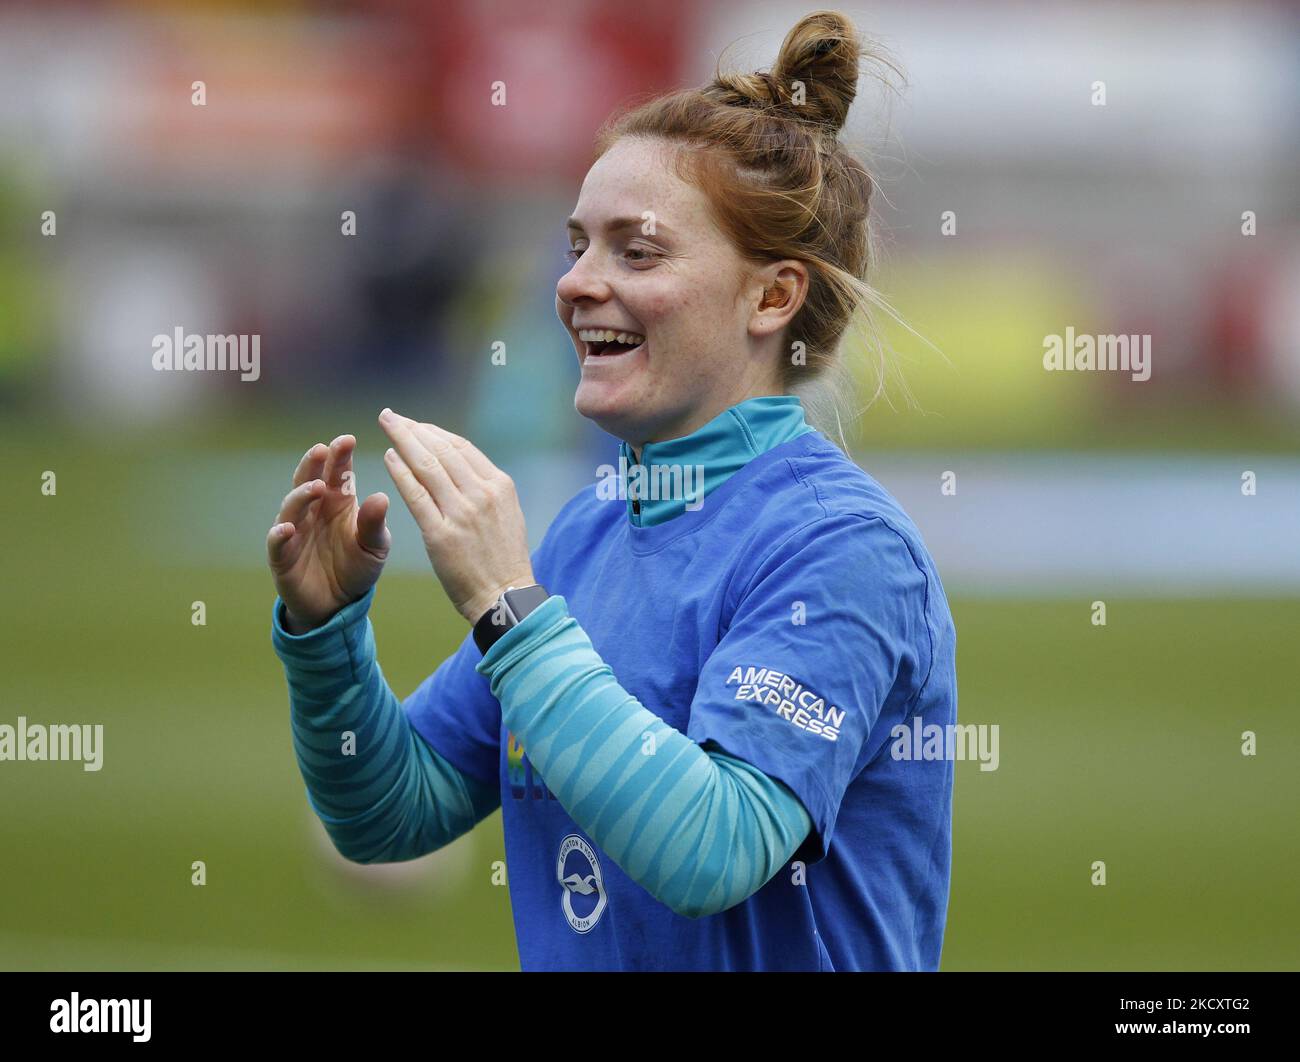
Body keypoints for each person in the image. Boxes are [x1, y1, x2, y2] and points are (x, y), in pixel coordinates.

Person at [266, 10, 956, 972]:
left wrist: (510, 611)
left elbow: (715, 849)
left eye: (637, 251)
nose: (576, 284)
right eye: (577, 245)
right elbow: (390, 811)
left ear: (772, 297)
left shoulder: (839, 547)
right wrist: (327, 634)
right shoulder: (590, 531)